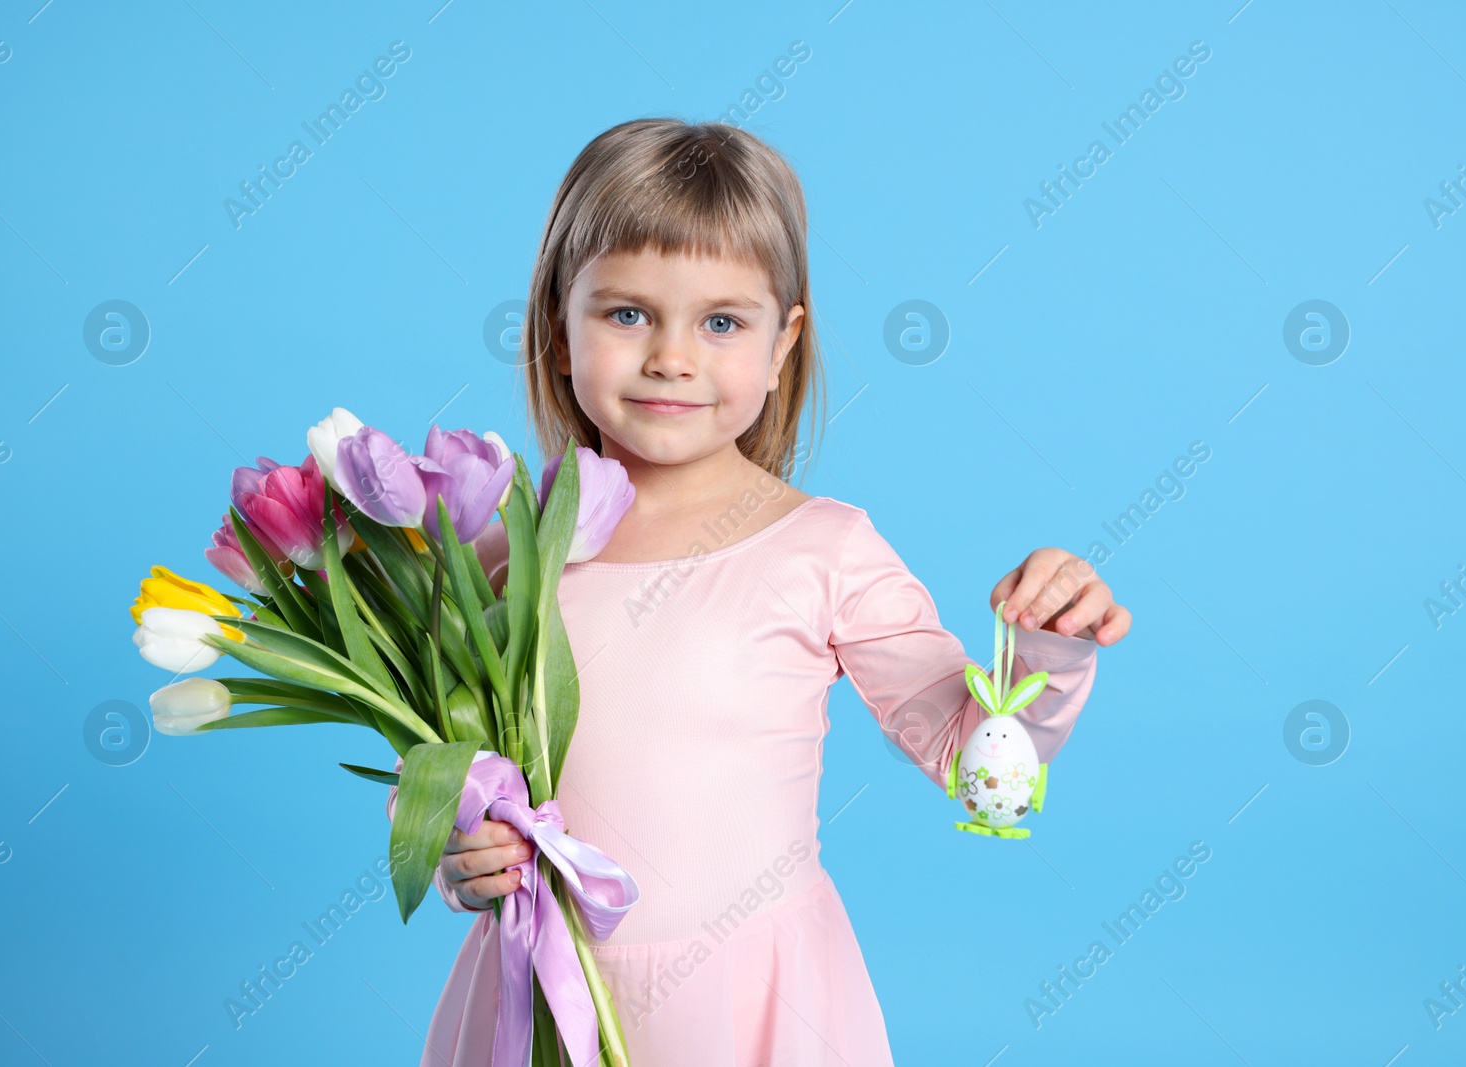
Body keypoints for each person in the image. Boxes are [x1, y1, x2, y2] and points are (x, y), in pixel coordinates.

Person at [387, 117, 1131, 1065]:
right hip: (541, 993)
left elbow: (976, 760)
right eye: (626, 314)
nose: (671, 356)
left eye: (722, 322)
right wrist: (461, 862)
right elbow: (454, 773)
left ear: (784, 345)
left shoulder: (824, 549)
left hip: (756, 1005)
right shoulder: (503, 549)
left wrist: (1049, 649)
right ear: (557, 332)